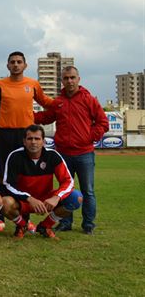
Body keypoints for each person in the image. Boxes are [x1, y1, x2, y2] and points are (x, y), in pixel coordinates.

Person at [0, 51, 54, 232]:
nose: (15, 64)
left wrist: (65, 103)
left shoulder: (32, 84)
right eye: (12, 62)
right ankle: (0, 218)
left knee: (22, 177)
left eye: (19, 62)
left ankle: (24, 220)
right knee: (4, 176)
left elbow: (46, 102)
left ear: (25, 65)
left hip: (26, 136)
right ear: (7, 66)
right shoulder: (0, 84)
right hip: (5, 134)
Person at [34, 66, 108, 234]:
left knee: (88, 191)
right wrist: (25, 114)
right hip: (63, 154)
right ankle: (65, 223)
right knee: (64, 190)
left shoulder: (89, 100)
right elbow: (45, 117)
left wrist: (89, 137)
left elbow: (103, 123)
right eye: (66, 78)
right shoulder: (58, 102)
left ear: (78, 79)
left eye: (72, 77)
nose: (69, 81)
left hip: (84, 153)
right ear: (62, 81)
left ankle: (88, 225)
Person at [1, 125, 83, 240]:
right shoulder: (15, 156)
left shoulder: (52, 156)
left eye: (37, 139)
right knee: (4, 203)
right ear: (24, 141)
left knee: (76, 198)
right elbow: (8, 185)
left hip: (46, 200)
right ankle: (22, 225)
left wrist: (56, 197)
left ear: (43, 141)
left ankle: (45, 226)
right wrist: (29, 198)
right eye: (30, 139)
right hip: (25, 201)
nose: (33, 142)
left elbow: (68, 181)